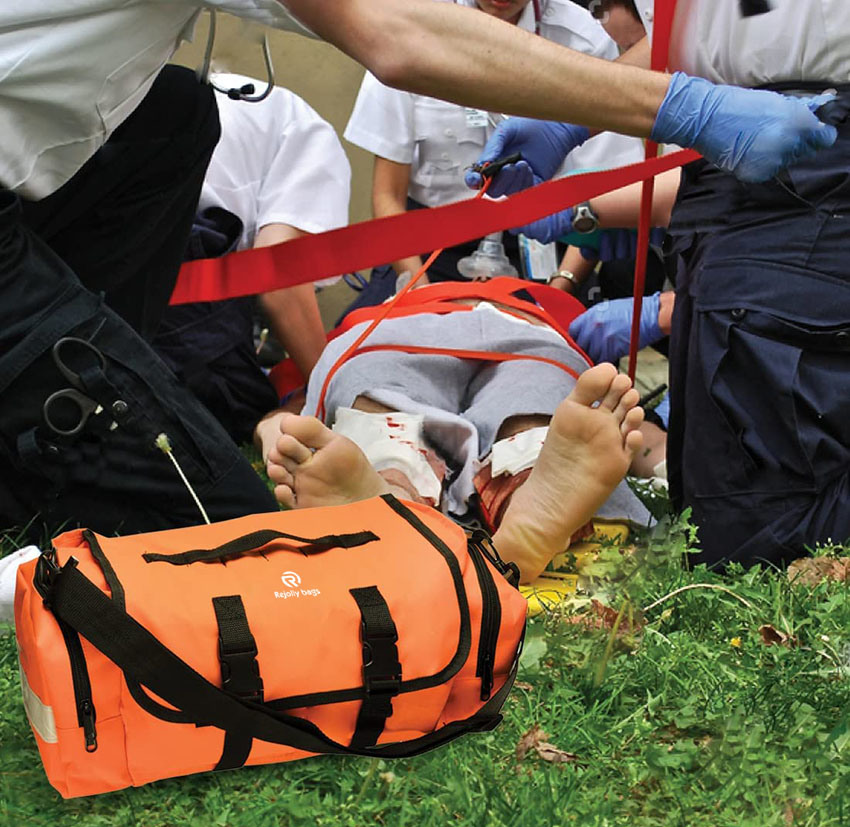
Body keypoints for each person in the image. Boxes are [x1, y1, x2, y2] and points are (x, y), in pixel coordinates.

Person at [0, 0, 838, 539]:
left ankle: (477, 471)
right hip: (403, 311)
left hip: (521, 315)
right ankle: (422, 479)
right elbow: (400, 35)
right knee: (293, 477)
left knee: (522, 400)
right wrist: (679, 107)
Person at [471, 0, 850, 567]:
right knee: (714, 489)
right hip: (730, 181)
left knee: (758, 530)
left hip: (803, 163)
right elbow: (704, 32)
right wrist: (570, 117)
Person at [254, 279, 670, 580]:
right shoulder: (555, 303)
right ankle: (524, 481)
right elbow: (629, 437)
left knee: (381, 405)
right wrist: (660, 458)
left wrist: (275, 434)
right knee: (537, 408)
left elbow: (285, 413)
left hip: (387, 330)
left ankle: (392, 491)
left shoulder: (372, 307)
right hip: (531, 330)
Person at [343, 0, 643, 299]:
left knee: (558, 341)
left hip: (544, 252)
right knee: (377, 341)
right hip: (423, 254)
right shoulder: (410, 30)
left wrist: (560, 287)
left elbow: (602, 191)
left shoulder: (583, 38)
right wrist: (424, 296)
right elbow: (387, 196)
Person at [153, 73, 350, 442]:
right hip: (176, 268)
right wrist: (334, 394)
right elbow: (281, 283)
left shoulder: (217, 96)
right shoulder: (311, 137)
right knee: (240, 406)